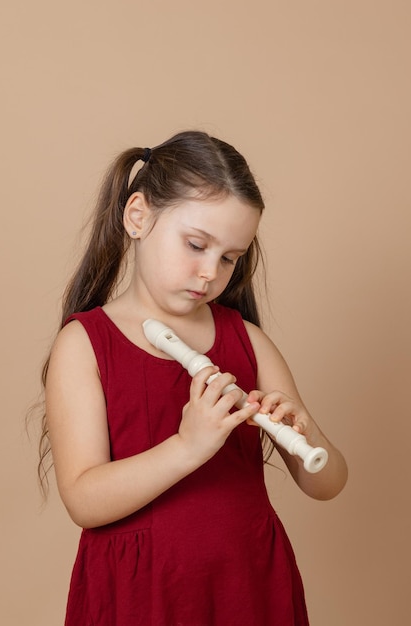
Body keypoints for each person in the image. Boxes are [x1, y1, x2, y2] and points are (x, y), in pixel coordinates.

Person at [41, 130, 348, 625]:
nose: (210, 272)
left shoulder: (247, 339)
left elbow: (328, 483)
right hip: (141, 592)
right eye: (196, 244)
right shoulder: (83, 344)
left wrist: (305, 433)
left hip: (247, 581)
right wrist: (189, 445)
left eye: (229, 257)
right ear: (138, 217)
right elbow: (83, 499)